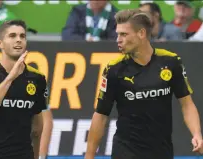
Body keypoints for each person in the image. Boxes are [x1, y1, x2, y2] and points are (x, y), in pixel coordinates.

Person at [85, 9, 203, 159]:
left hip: (162, 151)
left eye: (124, 34)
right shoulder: (114, 69)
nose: (118, 40)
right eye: (117, 34)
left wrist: (197, 134)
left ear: (141, 33)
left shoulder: (171, 62)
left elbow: (187, 104)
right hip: (125, 151)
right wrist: (89, 157)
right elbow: (100, 115)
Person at [0, 20, 53, 159]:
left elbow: (37, 127)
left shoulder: (37, 78)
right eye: (12, 36)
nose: (18, 40)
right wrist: (10, 78)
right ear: (0, 43)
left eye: (22, 36)